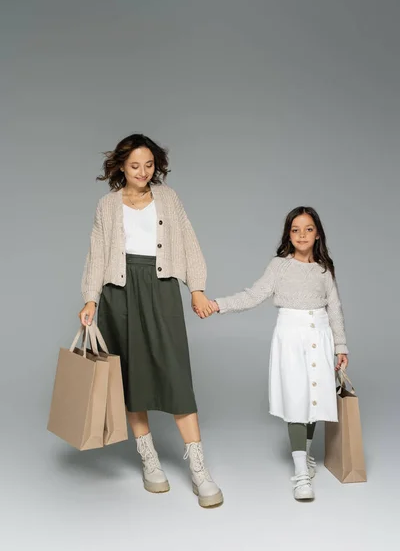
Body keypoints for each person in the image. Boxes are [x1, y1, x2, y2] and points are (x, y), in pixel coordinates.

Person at [78, 133, 223, 508]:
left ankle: (199, 469)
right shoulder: (107, 206)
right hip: (119, 293)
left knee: (176, 375)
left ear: (156, 165)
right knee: (132, 377)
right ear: (121, 167)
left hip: (160, 288)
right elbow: (97, 254)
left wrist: (197, 288)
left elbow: (188, 241)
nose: (143, 172)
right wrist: (90, 299)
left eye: (149, 165)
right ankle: (149, 459)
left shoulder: (169, 198)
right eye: (134, 165)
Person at [206, 207, 349, 501]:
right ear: (288, 234)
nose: (302, 235)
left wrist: (340, 346)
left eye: (308, 229)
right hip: (292, 336)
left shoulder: (324, 269)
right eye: (295, 229)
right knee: (297, 398)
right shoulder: (279, 266)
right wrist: (218, 304)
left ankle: (306, 455)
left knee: (314, 398)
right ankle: (300, 474)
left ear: (318, 233)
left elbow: (334, 308)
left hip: (320, 334)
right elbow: (253, 295)